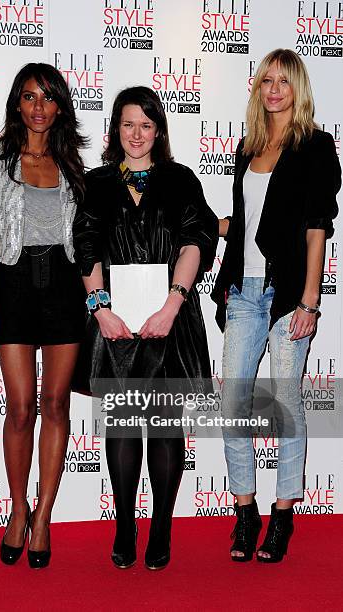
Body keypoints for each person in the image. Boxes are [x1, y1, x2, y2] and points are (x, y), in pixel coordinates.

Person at [73, 86, 218, 570]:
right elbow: (86, 244)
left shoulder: (180, 180)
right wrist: (100, 308)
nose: (137, 134)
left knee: (163, 425)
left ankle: (160, 527)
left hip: (168, 320)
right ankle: (124, 525)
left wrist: (172, 305)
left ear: (159, 130)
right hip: (114, 321)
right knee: (122, 424)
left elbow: (196, 240)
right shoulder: (96, 183)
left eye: (146, 125)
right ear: (116, 128)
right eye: (128, 124)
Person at [212, 49, 340, 563]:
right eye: (266, 80)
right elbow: (245, 224)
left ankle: (283, 512)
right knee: (233, 405)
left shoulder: (316, 147)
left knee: (286, 405)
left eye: (283, 81)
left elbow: (316, 231)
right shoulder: (247, 147)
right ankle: (245, 513)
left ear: (298, 88)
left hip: (288, 294)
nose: (273, 90)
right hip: (243, 290)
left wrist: (310, 300)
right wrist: (199, 228)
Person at [0, 62, 87, 569]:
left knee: (56, 405)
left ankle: (44, 517)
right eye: (29, 96)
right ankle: (17, 510)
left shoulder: (72, 163)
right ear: (17, 103)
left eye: (48, 97)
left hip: (64, 286)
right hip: (14, 285)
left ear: (60, 106)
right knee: (21, 410)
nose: (39, 107)